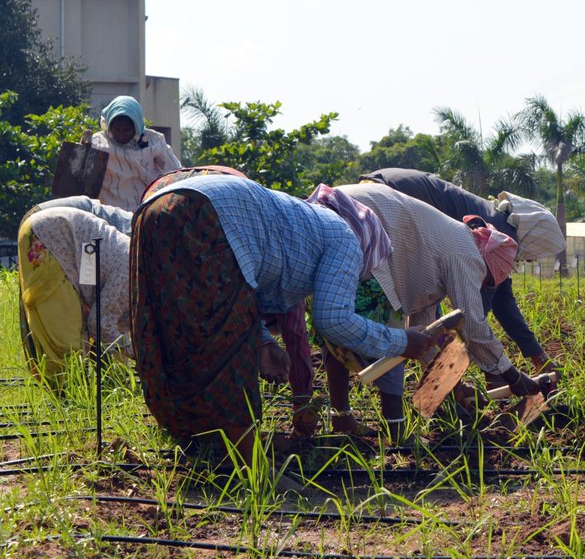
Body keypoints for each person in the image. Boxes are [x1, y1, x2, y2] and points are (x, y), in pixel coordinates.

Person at [131, 175, 434, 466]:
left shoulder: (305, 224)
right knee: (229, 349)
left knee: (177, 332)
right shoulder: (346, 238)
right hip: (207, 215)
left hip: (156, 210)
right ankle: (252, 469)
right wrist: (403, 341)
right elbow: (333, 320)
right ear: (369, 243)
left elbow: (244, 297)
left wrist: (264, 342)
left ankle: (199, 443)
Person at [327, 182, 547, 440]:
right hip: (360, 221)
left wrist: (451, 388)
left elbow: (425, 330)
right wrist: (512, 375)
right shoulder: (468, 254)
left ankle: (341, 418)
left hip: (338, 211)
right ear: (487, 265)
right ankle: (397, 433)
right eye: (487, 281)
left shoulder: (445, 244)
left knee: (335, 324)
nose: (481, 285)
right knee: (392, 332)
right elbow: (474, 325)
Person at [360, 168, 563, 372]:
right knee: (413, 306)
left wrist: (536, 355)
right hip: (387, 203)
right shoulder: (498, 233)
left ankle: (445, 381)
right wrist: (500, 369)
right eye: (538, 252)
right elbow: (475, 312)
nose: (531, 260)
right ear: (536, 238)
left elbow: (499, 298)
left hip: (372, 191)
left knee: (426, 304)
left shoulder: (496, 219)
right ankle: (440, 379)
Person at [18, 207, 131, 384]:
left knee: (61, 331)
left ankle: (66, 396)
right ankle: (68, 400)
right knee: (67, 339)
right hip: (50, 234)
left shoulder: (135, 263)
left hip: (42, 227)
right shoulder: (131, 274)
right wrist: (136, 354)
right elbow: (99, 323)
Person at [90, 96, 181, 211]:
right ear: (109, 125)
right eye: (117, 130)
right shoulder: (97, 142)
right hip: (110, 213)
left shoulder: (154, 140)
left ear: (136, 126)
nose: (121, 135)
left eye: (127, 130)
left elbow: (175, 172)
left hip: (146, 210)